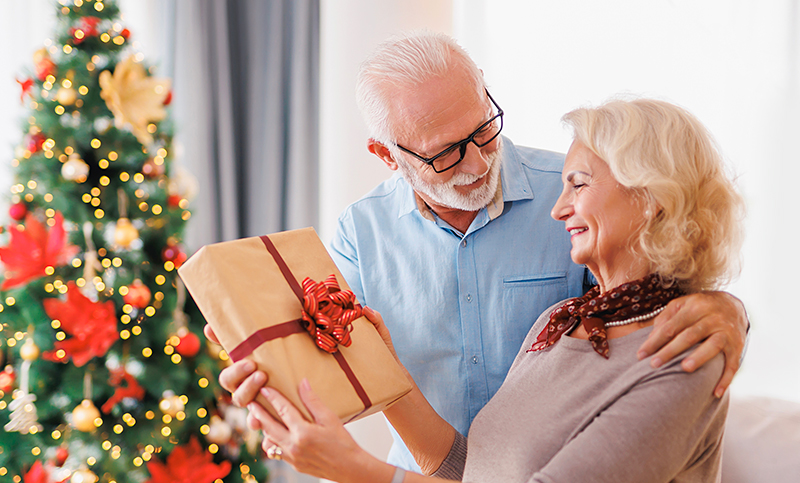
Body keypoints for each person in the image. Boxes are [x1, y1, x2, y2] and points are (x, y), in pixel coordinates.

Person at [208, 31, 748, 472]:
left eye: (483, 130)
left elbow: (654, 291)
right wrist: (267, 368)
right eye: (444, 153)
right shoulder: (363, 232)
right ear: (387, 156)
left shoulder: (577, 198)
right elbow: (331, 364)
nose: (478, 163)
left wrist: (727, 308)